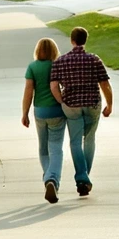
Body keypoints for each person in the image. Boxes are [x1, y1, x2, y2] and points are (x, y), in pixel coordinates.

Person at [49, 26, 113, 197]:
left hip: (71, 105)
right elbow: (105, 84)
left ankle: (82, 177)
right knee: (90, 139)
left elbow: (53, 86)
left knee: (75, 142)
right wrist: (110, 104)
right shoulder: (94, 60)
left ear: (72, 40)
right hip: (92, 103)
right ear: (85, 40)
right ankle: (84, 178)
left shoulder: (60, 61)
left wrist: (61, 101)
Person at [22, 37, 66, 204]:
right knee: (56, 148)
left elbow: (28, 92)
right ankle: (52, 179)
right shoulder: (57, 65)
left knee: (43, 148)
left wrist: (24, 113)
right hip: (56, 111)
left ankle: (48, 178)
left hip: (40, 112)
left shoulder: (32, 67)